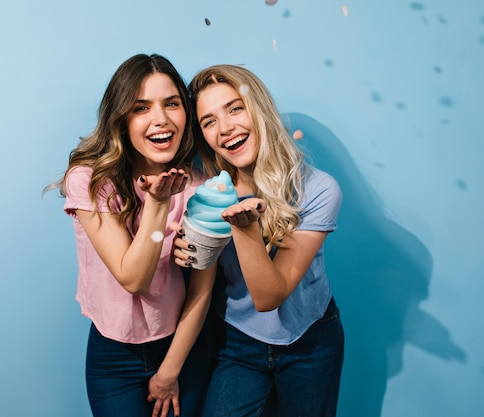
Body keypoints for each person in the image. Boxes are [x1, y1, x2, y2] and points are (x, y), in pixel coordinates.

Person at [48, 54, 215, 417]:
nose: (161, 119)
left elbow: (203, 291)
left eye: (172, 103)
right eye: (142, 107)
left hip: (181, 349)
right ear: (121, 120)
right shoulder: (90, 181)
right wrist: (157, 204)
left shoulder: (201, 187)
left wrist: (170, 371)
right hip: (114, 358)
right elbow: (133, 278)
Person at [174, 64, 345, 417]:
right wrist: (190, 249)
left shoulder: (319, 190)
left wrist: (245, 227)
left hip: (309, 341)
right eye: (208, 122)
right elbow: (199, 277)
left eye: (235, 108)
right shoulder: (207, 192)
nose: (225, 129)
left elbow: (270, 296)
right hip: (237, 341)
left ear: (260, 108)